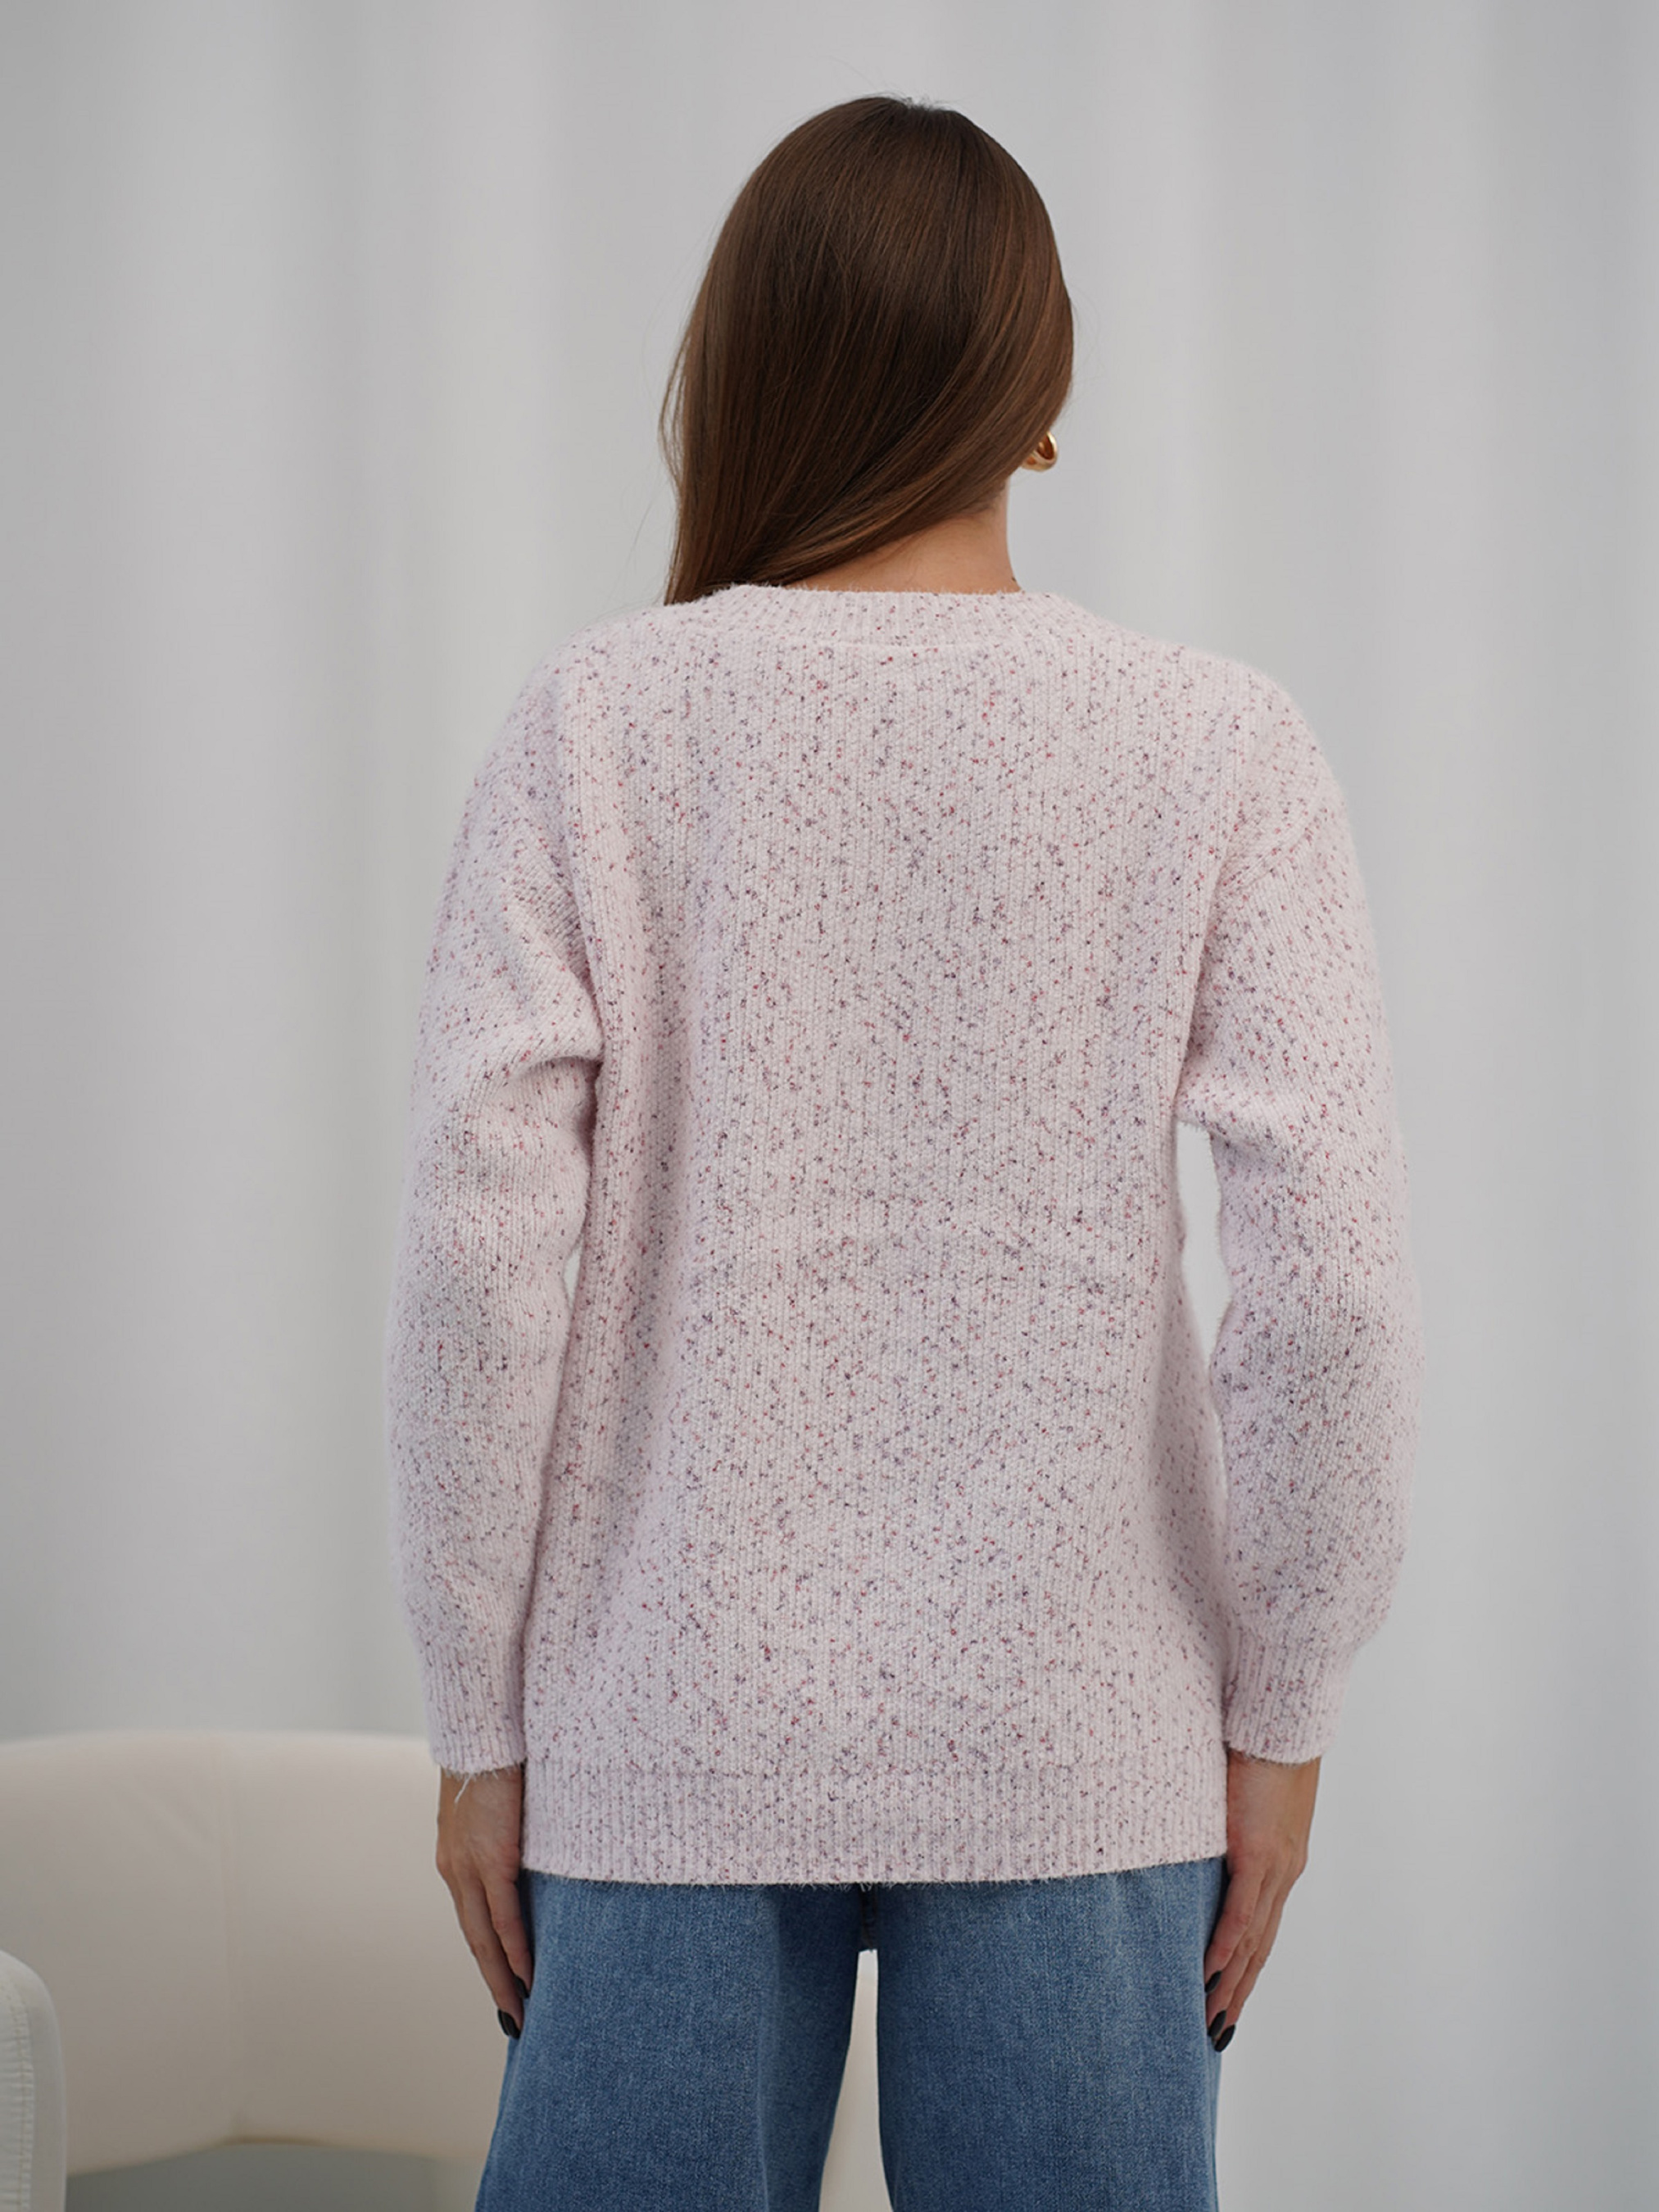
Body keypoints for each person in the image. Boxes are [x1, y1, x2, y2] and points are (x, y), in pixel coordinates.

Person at [383, 94, 1425, 2212]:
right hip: (1082, 1746)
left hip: (667, 1737)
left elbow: (477, 1268)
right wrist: (1284, 1711)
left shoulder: (595, 726)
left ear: (749, 372)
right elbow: (1328, 1286)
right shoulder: (1216, 743)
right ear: (1038, 405)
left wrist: (475, 1725)